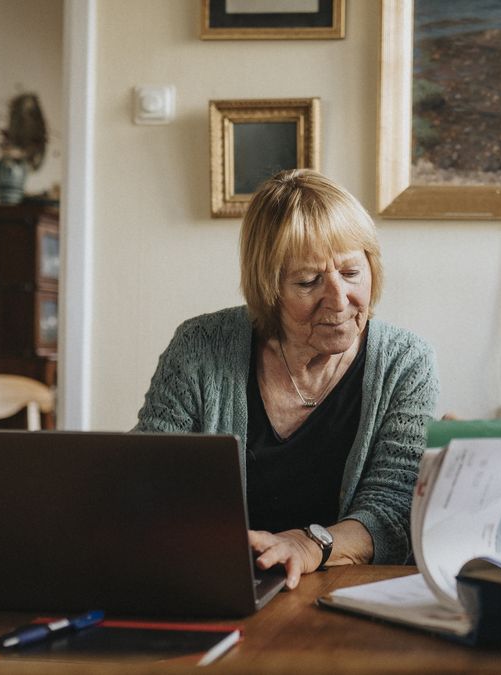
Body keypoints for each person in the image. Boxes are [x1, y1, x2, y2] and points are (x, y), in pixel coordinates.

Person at [136, 169, 439, 589]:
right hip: (222, 584)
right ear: (267, 288)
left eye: (351, 273)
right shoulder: (200, 347)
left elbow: (393, 508)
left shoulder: (405, 362)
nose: (338, 299)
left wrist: (310, 544)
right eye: (308, 281)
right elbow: (146, 479)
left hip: (352, 591)